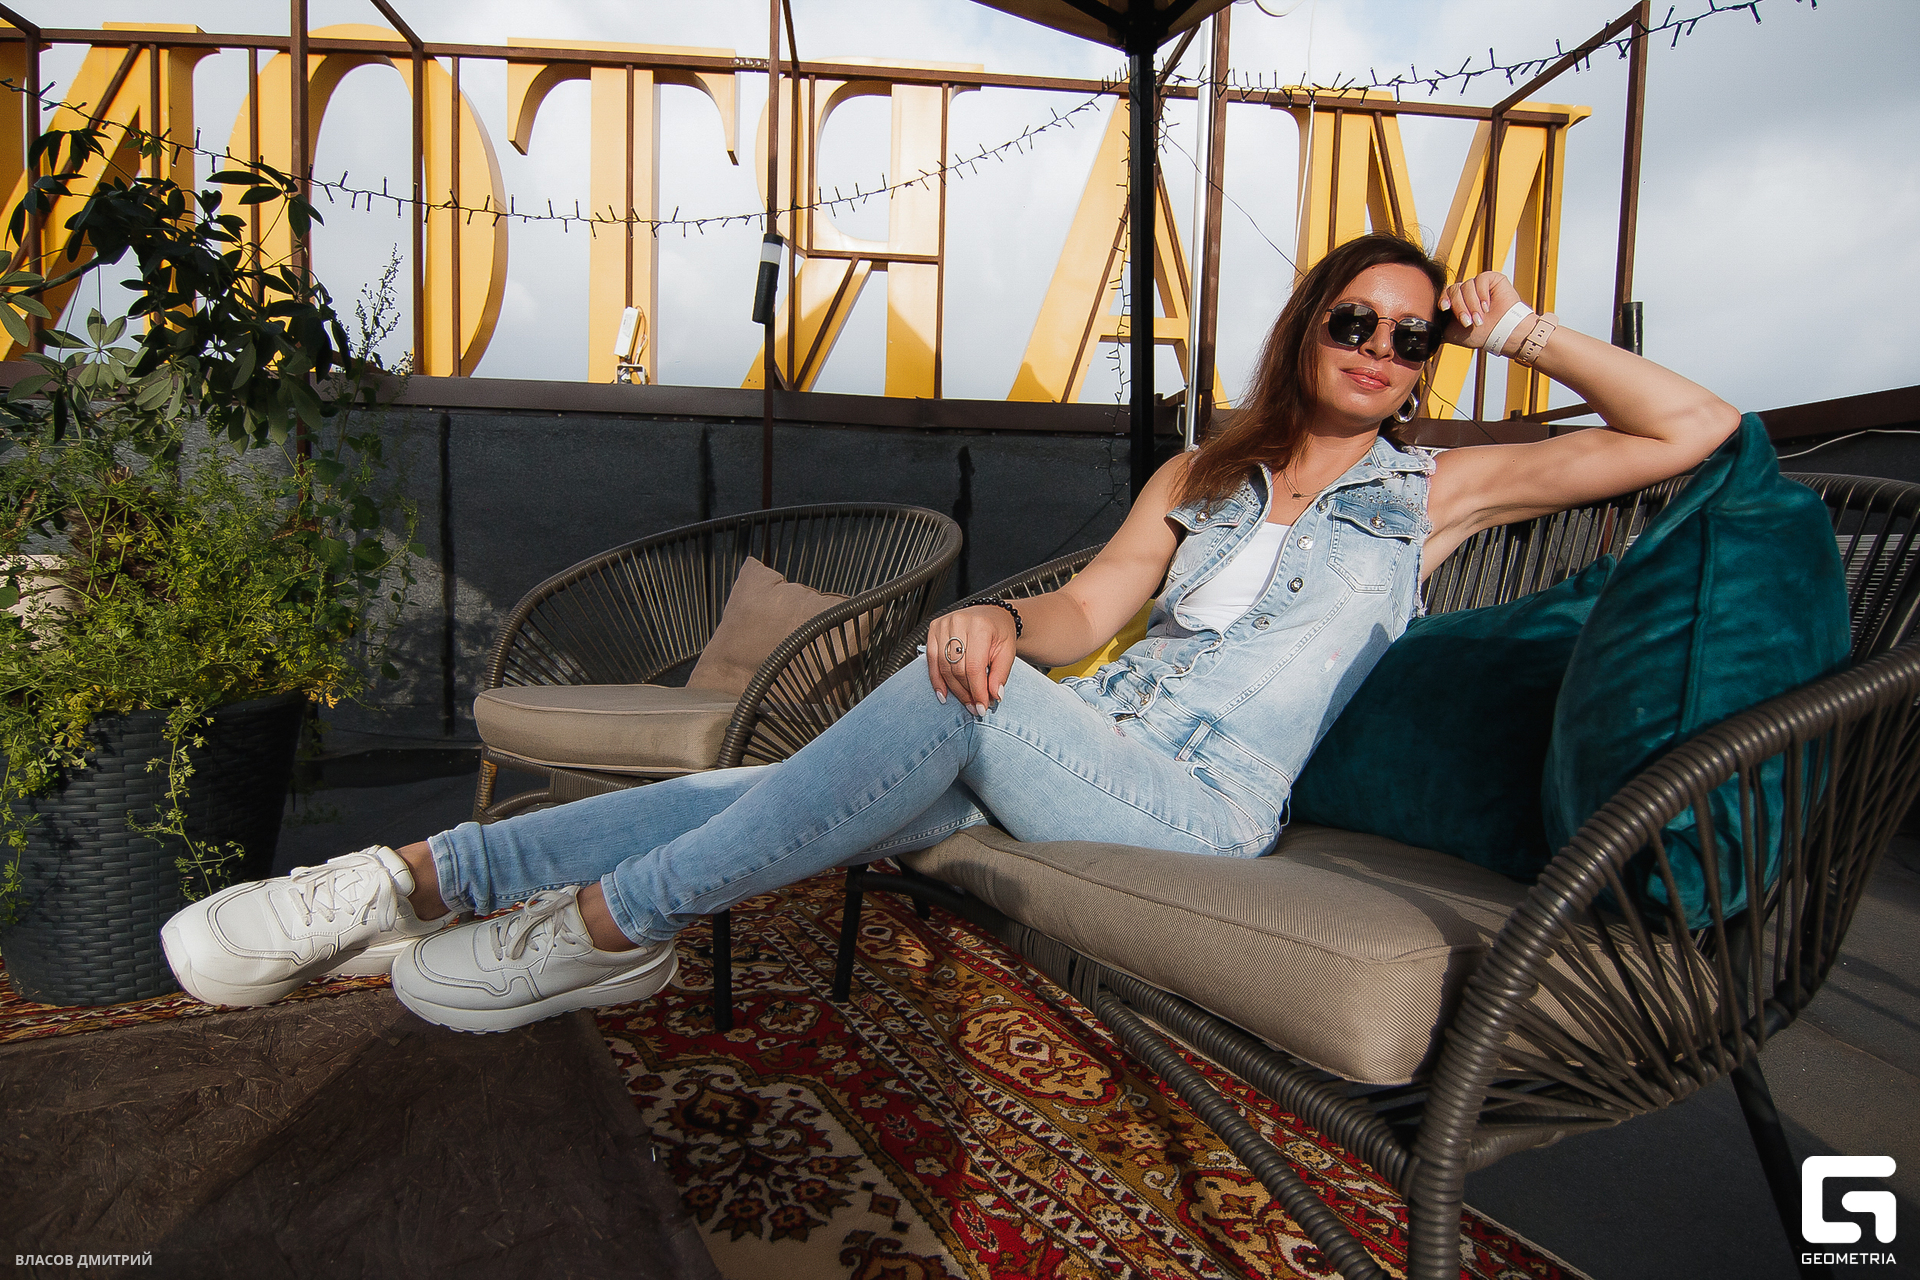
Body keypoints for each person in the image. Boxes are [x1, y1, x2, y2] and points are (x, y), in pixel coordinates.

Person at [160, 233, 1739, 1034]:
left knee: (948, 700)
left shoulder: (1438, 491)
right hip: (1091, 745)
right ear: (1307, 330)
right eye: (1357, 320)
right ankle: (411, 879)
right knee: (805, 764)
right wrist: (993, 612)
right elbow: (1087, 612)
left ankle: (608, 927)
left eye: (1412, 332)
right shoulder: (1204, 476)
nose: (1384, 346)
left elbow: (1696, 428)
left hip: (1201, 806)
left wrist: (1520, 330)